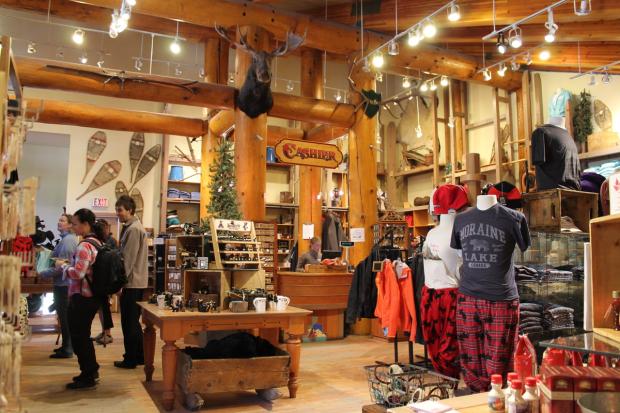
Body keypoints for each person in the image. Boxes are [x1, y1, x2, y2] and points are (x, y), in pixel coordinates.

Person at [59, 208, 106, 389]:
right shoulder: (96, 242)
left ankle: (88, 375)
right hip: (91, 297)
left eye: (75, 223)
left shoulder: (85, 246)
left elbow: (78, 273)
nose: (73, 226)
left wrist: (64, 267)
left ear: (86, 225)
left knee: (79, 337)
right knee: (82, 336)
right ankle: (90, 371)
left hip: (83, 298)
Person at [114, 195, 148, 369]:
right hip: (135, 281)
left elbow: (128, 259)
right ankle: (140, 356)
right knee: (133, 321)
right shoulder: (133, 227)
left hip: (132, 282)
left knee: (129, 322)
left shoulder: (134, 229)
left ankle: (131, 359)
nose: (118, 213)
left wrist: (119, 283)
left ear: (130, 210)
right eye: (117, 210)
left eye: (120, 210)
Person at [38, 213, 78, 359]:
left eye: (62, 220)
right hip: (63, 284)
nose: (59, 222)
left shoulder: (67, 241)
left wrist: (42, 274)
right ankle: (66, 345)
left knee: (65, 317)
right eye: (59, 219)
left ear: (70, 224)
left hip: (64, 284)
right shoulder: (66, 240)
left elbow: (61, 267)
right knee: (63, 316)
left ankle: (68, 348)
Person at [92, 219, 117, 345]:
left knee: (104, 306)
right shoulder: (103, 241)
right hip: (104, 278)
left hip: (106, 279)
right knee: (103, 307)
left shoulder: (110, 241)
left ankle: (107, 333)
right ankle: (105, 331)